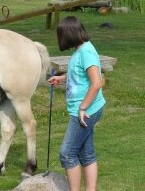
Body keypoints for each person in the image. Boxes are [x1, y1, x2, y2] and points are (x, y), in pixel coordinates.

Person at [48, 16, 106, 191]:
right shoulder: (80, 50)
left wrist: (82, 108)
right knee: (86, 154)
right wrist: (62, 78)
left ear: (69, 34)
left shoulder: (86, 52)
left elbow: (97, 83)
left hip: (85, 111)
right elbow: (80, 75)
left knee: (67, 154)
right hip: (83, 110)